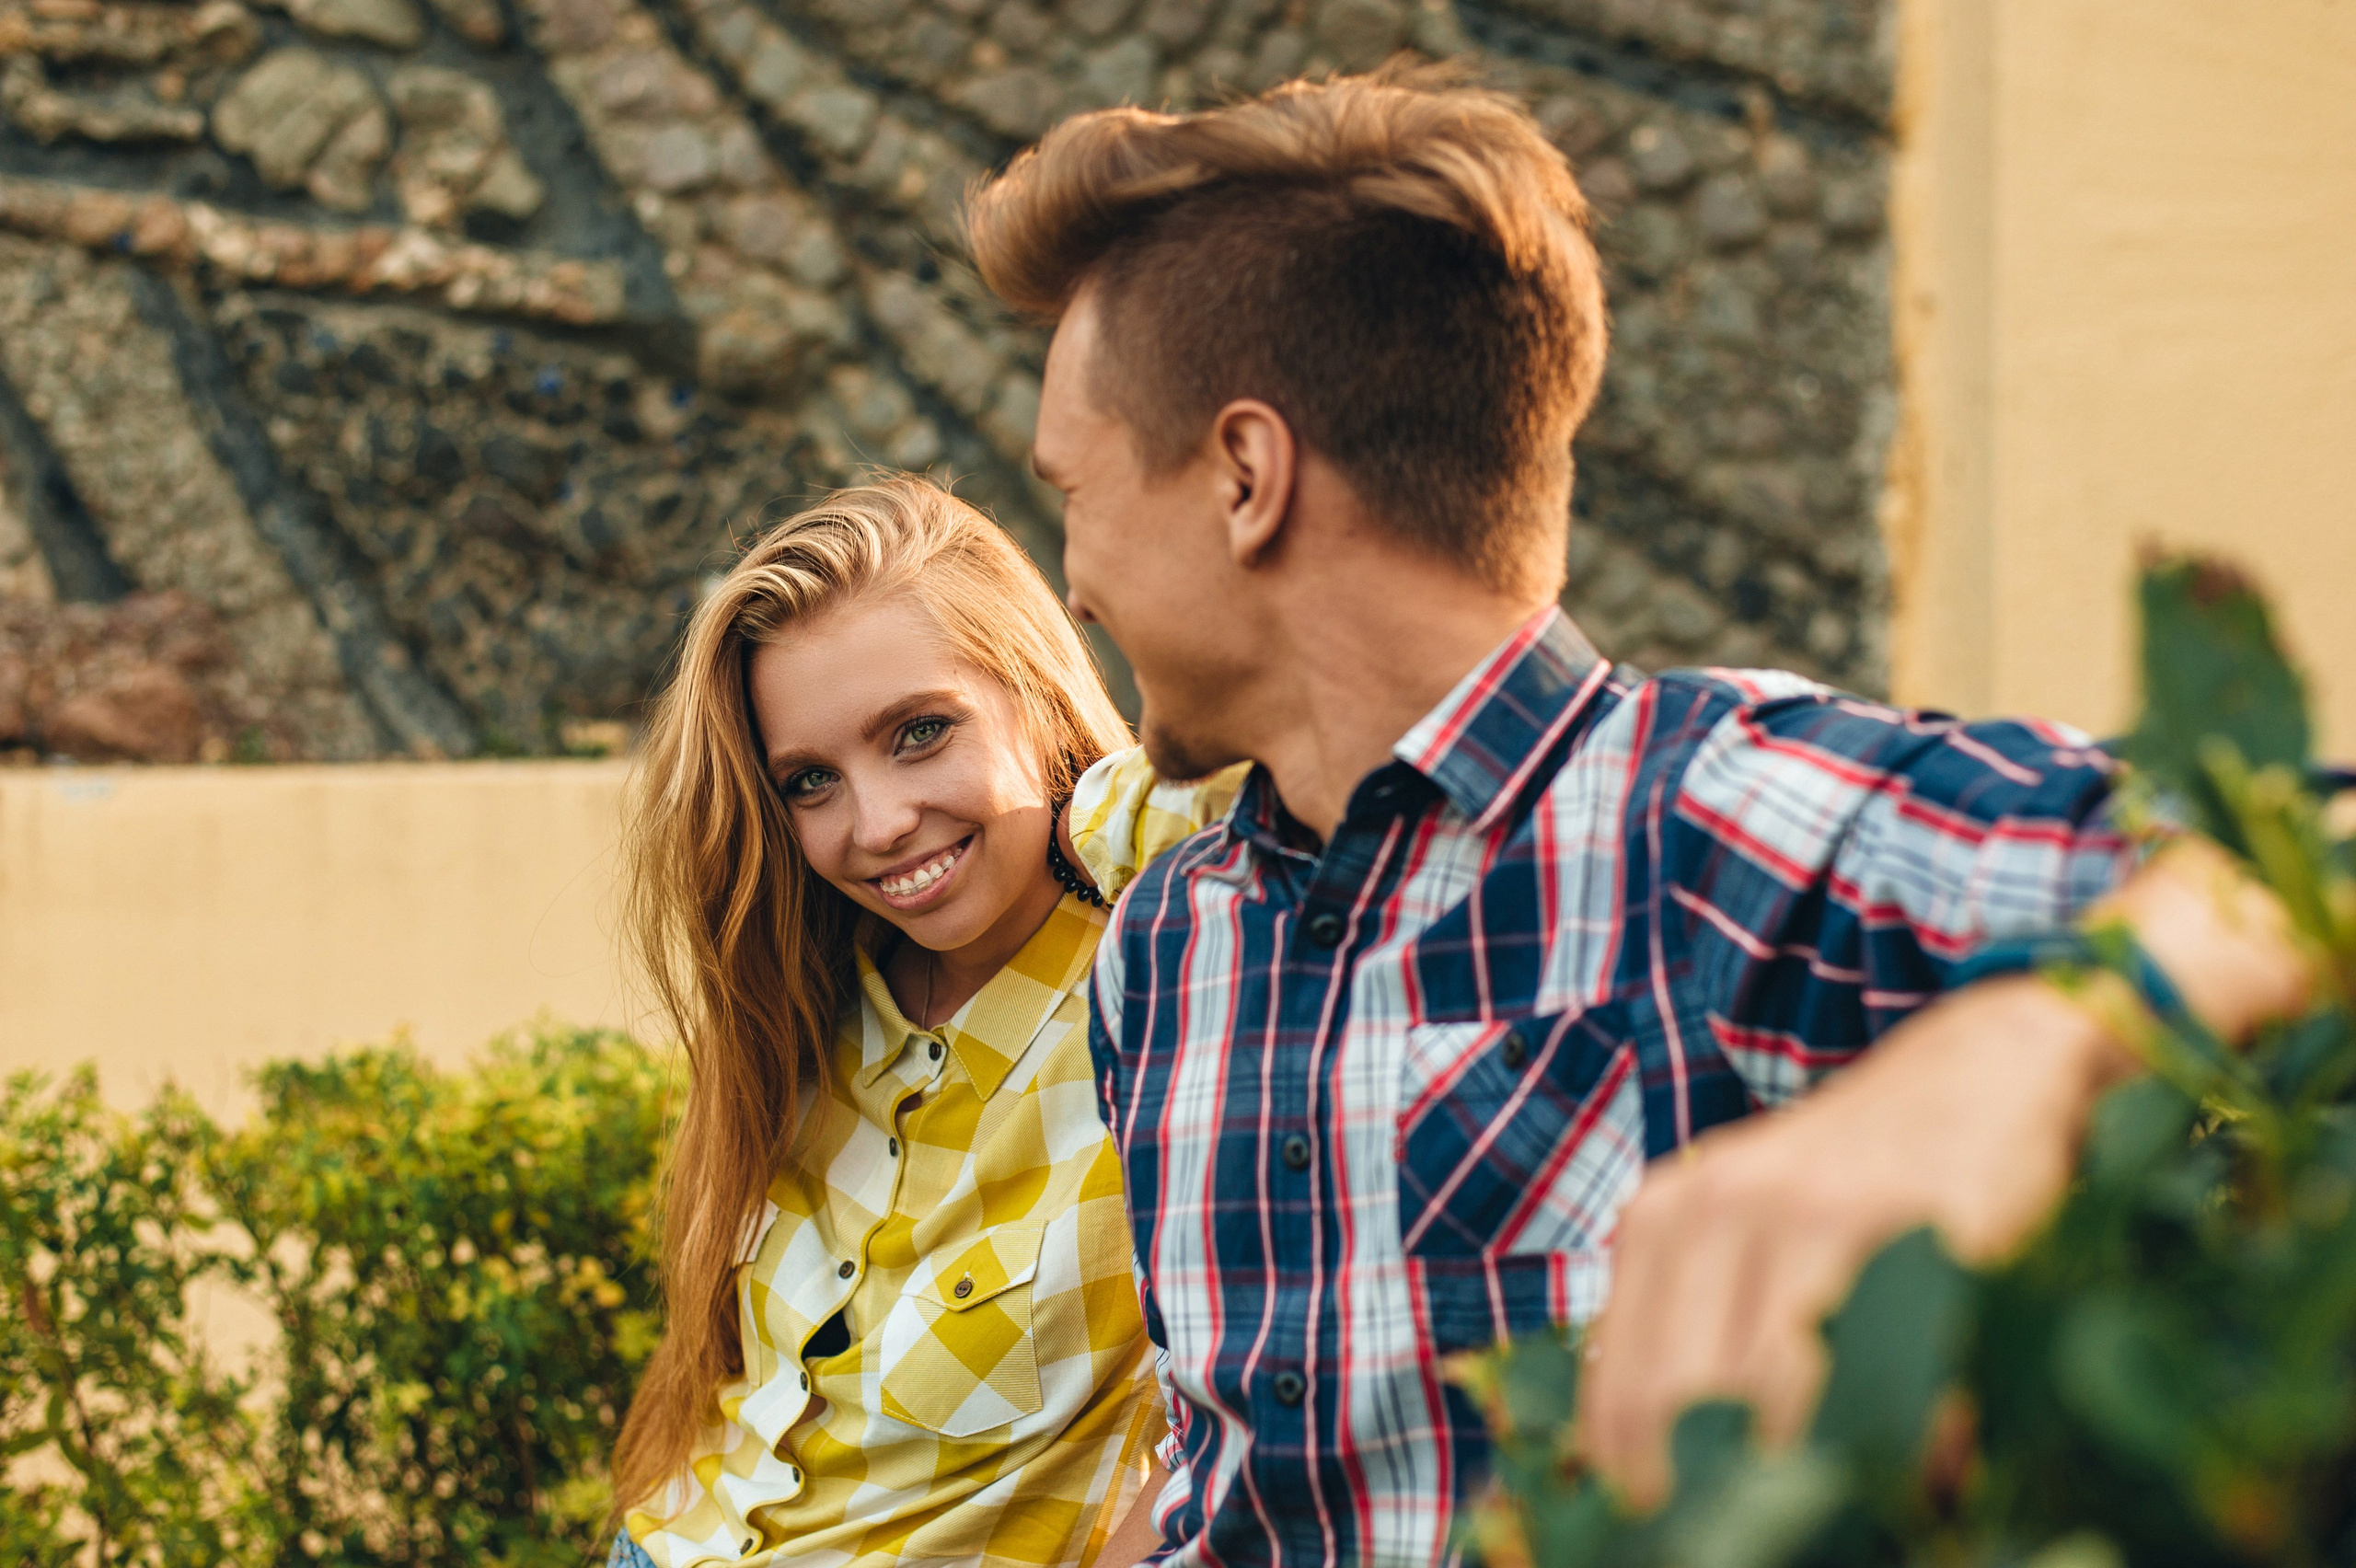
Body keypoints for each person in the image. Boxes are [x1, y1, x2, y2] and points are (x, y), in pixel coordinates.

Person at [964, 73, 2317, 1566]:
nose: (1072, 579)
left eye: (1072, 491)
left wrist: (2008, 1055)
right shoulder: (1168, 944)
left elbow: (2304, 856)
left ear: (1244, 476)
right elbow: (1226, 1472)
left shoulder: (1724, 819)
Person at [605, 478, 1239, 1568]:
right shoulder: (810, 1001)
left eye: (920, 732)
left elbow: (1296, 794)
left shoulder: (1162, 993)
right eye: (810, 781)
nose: (878, 825)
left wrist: (1075, 807)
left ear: (1033, 692)